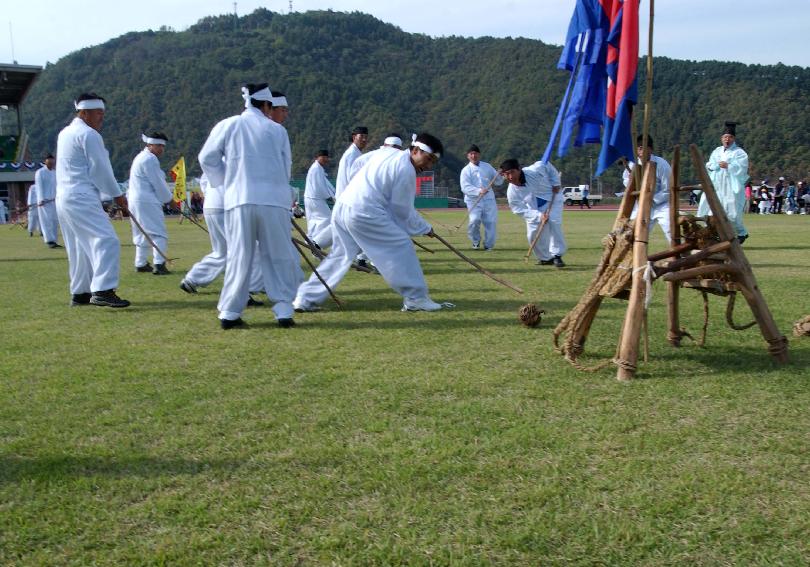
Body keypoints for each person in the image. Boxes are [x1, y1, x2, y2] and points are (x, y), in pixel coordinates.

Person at [293, 133, 450, 313]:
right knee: (401, 244)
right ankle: (416, 298)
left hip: (344, 205)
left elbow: (359, 164)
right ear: (415, 150)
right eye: (427, 159)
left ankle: (305, 298)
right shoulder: (406, 170)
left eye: (432, 163)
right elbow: (402, 211)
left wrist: (359, 186)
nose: (428, 166)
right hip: (364, 211)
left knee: (340, 256)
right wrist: (425, 228)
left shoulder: (386, 153)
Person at [198, 83, 303, 330]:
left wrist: (226, 180)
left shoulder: (228, 124)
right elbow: (286, 167)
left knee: (239, 256)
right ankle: (283, 310)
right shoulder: (277, 131)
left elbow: (206, 158)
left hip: (238, 200)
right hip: (273, 201)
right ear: (267, 105)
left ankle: (230, 312)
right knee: (278, 255)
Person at [55, 92, 130, 308]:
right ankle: (103, 290)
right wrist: (118, 196)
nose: (101, 118)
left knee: (79, 247)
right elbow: (101, 169)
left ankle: (80, 293)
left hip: (65, 197)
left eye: (103, 113)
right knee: (107, 240)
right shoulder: (89, 135)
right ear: (84, 112)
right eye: (98, 113)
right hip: (81, 195)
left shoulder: (65, 133)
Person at [180, 173, 265, 300]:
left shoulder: (218, 156)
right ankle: (250, 287)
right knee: (248, 248)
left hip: (211, 204)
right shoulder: (242, 157)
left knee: (221, 252)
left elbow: (204, 181)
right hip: (228, 206)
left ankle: (192, 279)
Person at [502, 157, 567, 267]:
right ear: (503, 175)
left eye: (512, 172)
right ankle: (545, 258)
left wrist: (555, 183)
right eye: (507, 174)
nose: (511, 177)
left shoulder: (534, 170)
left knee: (553, 222)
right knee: (532, 234)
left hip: (552, 197)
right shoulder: (511, 192)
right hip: (534, 208)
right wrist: (538, 216)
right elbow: (518, 209)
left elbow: (546, 164)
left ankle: (557, 255)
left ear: (519, 169)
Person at [127, 132, 173, 274]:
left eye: (162, 146)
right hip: (146, 200)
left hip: (135, 199)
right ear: (150, 144)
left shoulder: (140, 157)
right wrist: (169, 200)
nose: (161, 149)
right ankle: (159, 264)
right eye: (158, 145)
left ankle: (140, 263)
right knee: (158, 233)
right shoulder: (150, 159)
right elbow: (158, 183)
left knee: (141, 232)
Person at [697, 122, 750, 243]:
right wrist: (714, 166)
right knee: (710, 210)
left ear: (734, 138)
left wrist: (729, 166)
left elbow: (742, 168)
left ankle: (741, 233)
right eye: (725, 137)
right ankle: (713, 235)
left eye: (730, 137)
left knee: (732, 213)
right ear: (721, 138)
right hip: (716, 184)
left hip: (730, 186)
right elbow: (710, 164)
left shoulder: (739, 152)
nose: (727, 139)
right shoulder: (717, 151)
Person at [622, 135, 673, 242]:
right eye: (639, 148)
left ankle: (680, 256)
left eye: (645, 147)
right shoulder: (632, 165)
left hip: (661, 206)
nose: (642, 151)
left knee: (670, 230)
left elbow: (668, 190)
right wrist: (635, 187)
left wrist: (650, 198)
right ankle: (636, 258)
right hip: (641, 206)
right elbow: (626, 181)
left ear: (651, 149)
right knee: (634, 233)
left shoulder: (662, 165)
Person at [460, 144, 503, 250]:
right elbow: (465, 187)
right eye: (471, 154)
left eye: (475, 153)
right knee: (474, 220)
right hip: (473, 200)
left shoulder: (487, 166)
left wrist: (499, 175)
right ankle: (475, 241)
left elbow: (498, 181)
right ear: (468, 156)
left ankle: (489, 245)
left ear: (479, 154)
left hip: (488, 200)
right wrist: (478, 191)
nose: (474, 156)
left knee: (491, 222)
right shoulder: (466, 170)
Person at [303, 149, 336, 249]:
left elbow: (325, 184)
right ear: (317, 157)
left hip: (310, 198)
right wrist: (330, 197)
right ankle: (317, 242)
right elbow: (321, 186)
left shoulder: (317, 168)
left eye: (327, 157)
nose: (326, 159)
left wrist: (333, 194)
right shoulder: (317, 169)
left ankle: (309, 239)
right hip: (315, 199)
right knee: (328, 219)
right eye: (323, 157)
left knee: (313, 220)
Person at [35, 154, 61, 248]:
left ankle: (54, 240)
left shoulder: (55, 172)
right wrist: (41, 199)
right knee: (47, 220)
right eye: (49, 162)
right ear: (45, 162)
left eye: (52, 162)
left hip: (54, 200)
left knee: (54, 221)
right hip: (44, 202)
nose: (51, 164)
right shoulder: (40, 172)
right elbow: (39, 186)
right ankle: (49, 240)